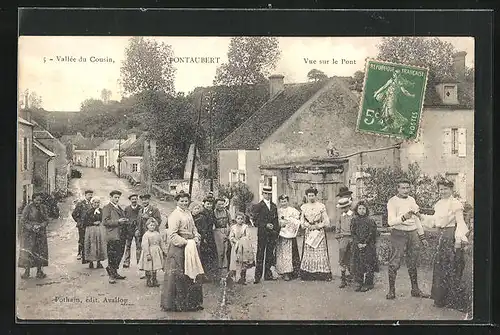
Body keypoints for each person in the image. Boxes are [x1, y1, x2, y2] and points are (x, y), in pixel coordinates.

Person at [417, 179, 470, 308]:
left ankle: (452, 299)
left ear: (451, 189)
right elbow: (435, 221)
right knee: (440, 265)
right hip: (440, 235)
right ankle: (440, 298)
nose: (443, 191)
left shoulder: (455, 203)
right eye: (441, 189)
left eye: (445, 189)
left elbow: (461, 222)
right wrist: (421, 216)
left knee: (451, 265)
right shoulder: (439, 204)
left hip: (450, 235)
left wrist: (458, 240)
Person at [386, 178, 429, 300]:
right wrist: (403, 217)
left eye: (407, 188)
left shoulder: (412, 200)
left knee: (413, 262)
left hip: (413, 233)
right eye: (403, 188)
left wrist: (422, 236)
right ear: (398, 188)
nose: (405, 190)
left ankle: (415, 289)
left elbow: (416, 219)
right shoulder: (392, 202)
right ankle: (391, 291)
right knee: (394, 262)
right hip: (398, 233)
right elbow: (390, 222)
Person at [161, 191, 204, 312]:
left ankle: (192, 303)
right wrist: (186, 242)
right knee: (179, 275)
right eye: (182, 201)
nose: (184, 203)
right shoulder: (174, 215)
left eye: (186, 201)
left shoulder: (188, 213)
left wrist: (196, 237)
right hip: (180, 248)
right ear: (177, 201)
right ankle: (178, 304)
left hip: (191, 246)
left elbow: (194, 228)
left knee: (193, 272)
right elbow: (172, 235)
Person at [299, 187, 333, 281]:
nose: (311, 197)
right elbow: (301, 221)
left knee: (319, 251)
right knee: (309, 251)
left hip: (319, 231)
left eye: (312, 195)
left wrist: (318, 226)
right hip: (309, 231)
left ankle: (321, 273)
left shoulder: (321, 206)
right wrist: (307, 225)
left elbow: (326, 221)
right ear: (307, 196)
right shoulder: (304, 207)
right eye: (309, 195)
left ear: (316, 195)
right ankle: (308, 273)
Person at [252, 186, 280, 284]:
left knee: (269, 254)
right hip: (263, 233)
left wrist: (275, 229)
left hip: (271, 234)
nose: (267, 196)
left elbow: (276, 219)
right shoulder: (258, 206)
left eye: (269, 194)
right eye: (266, 194)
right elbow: (255, 221)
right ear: (262, 194)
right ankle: (257, 276)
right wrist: (265, 225)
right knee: (260, 254)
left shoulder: (273, 206)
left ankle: (268, 274)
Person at [18, 193, 49, 279]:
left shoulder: (43, 208)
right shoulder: (28, 208)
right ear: (33, 199)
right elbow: (23, 220)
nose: (38, 202)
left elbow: (46, 220)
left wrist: (41, 226)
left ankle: (39, 271)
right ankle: (27, 272)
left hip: (40, 234)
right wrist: (31, 227)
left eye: (40, 200)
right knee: (28, 252)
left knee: (40, 252)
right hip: (29, 235)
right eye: (37, 200)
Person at [350, 201, 379, 292]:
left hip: (368, 245)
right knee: (358, 263)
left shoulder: (370, 220)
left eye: (363, 209)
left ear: (366, 210)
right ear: (356, 210)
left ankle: (369, 283)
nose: (361, 211)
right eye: (360, 209)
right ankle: (359, 282)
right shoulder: (354, 220)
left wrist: (365, 243)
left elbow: (372, 233)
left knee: (369, 263)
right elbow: (353, 233)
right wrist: (358, 243)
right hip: (358, 245)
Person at [102, 190, 129, 284]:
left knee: (119, 254)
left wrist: (125, 220)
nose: (117, 199)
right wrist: (118, 221)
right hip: (112, 235)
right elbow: (105, 222)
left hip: (121, 235)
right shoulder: (107, 208)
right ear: (111, 197)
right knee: (112, 256)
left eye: (118, 197)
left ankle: (115, 272)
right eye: (115, 197)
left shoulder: (119, 208)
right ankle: (111, 276)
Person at [275, 194, 301, 281]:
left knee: (288, 253)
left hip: (289, 234)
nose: (283, 203)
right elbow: (275, 221)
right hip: (281, 234)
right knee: (281, 253)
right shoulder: (278, 211)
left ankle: (289, 272)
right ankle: (282, 271)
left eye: (285, 201)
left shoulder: (292, 210)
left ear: (287, 201)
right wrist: (279, 224)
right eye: (282, 201)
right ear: (280, 202)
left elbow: (297, 221)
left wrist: (289, 221)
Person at [193, 196, 219, 282]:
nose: (209, 205)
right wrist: (204, 238)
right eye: (208, 203)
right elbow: (201, 228)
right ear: (204, 203)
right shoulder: (202, 214)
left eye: (211, 204)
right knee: (205, 256)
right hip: (204, 236)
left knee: (212, 255)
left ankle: (211, 275)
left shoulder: (211, 212)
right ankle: (204, 276)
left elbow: (215, 222)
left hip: (210, 235)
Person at [136, 194, 162, 278]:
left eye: (146, 200)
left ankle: (153, 275)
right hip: (143, 234)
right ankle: (145, 272)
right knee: (144, 253)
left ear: (149, 200)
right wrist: (138, 230)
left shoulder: (154, 209)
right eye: (143, 200)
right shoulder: (140, 210)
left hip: (152, 235)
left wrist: (149, 218)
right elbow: (138, 222)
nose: (144, 201)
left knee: (153, 255)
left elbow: (159, 220)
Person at [138, 218, 168, 287]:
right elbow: (145, 245)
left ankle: (154, 280)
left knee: (155, 267)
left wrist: (165, 251)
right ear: (147, 226)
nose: (152, 227)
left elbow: (162, 243)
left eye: (154, 225)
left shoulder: (157, 233)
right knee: (148, 267)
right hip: (149, 251)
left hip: (156, 252)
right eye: (151, 225)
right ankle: (148, 280)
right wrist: (147, 254)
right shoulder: (146, 235)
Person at [229, 212, 254, 285]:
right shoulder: (233, 227)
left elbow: (248, 236)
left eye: (241, 219)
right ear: (236, 219)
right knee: (236, 261)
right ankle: (236, 277)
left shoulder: (245, 227)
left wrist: (243, 240)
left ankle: (243, 278)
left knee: (244, 261)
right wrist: (235, 241)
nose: (240, 220)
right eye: (238, 218)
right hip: (236, 246)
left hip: (244, 247)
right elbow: (231, 237)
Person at [82, 196, 107, 269]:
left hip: (99, 230)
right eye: (95, 202)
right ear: (92, 203)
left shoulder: (102, 211)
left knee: (99, 244)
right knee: (91, 245)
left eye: (98, 202)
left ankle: (99, 262)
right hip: (91, 231)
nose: (96, 204)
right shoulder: (89, 212)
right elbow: (85, 222)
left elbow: (104, 219)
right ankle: (91, 262)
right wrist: (93, 223)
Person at [336, 197, 354, 288]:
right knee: (342, 258)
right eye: (342, 208)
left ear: (349, 206)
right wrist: (339, 237)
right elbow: (337, 228)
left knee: (352, 257)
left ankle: (353, 276)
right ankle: (343, 280)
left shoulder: (353, 215)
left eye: (345, 207)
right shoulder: (341, 216)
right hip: (343, 239)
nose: (344, 209)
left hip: (352, 238)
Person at [71, 189, 93, 262]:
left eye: (91, 195)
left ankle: (86, 255)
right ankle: (79, 253)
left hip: (89, 225)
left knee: (88, 240)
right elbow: (74, 214)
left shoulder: (91, 204)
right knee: (82, 239)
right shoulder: (80, 204)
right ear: (85, 195)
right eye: (89, 195)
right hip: (82, 225)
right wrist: (79, 221)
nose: (90, 196)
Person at [123, 194, 143, 270]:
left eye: (135, 199)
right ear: (130, 200)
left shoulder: (140, 208)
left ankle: (139, 262)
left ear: (137, 199)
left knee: (139, 246)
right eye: (132, 199)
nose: (134, 200)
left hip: (138, 229)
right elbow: (124, 219)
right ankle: (126, 262)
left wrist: (139, 228)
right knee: (128, 246)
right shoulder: (127, 209)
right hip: (129, 230)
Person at [213, 198, 232, 276]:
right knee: (220, 251)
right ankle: (219, 268)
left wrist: (230, 231)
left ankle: (227, 268)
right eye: (219, 204)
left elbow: (230, 222)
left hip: (226, 230)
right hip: (217, 231)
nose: (221, 206)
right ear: (216, 205)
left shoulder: (227, 212)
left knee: (227, 249)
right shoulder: (214, 213)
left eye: (222, 204)